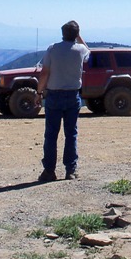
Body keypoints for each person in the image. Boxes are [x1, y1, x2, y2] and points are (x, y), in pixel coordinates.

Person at [36, 20, 90, 182]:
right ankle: (70, 170)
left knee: (51, 134)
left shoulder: (52, 49)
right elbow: (89, 52)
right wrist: (79, 37)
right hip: (73, 95)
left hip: (53, 95)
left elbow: (45, 72)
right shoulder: (80, 50)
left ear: (62, 33)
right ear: (76, 34)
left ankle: (49, 171)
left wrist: (39, 92)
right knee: (71, 134)